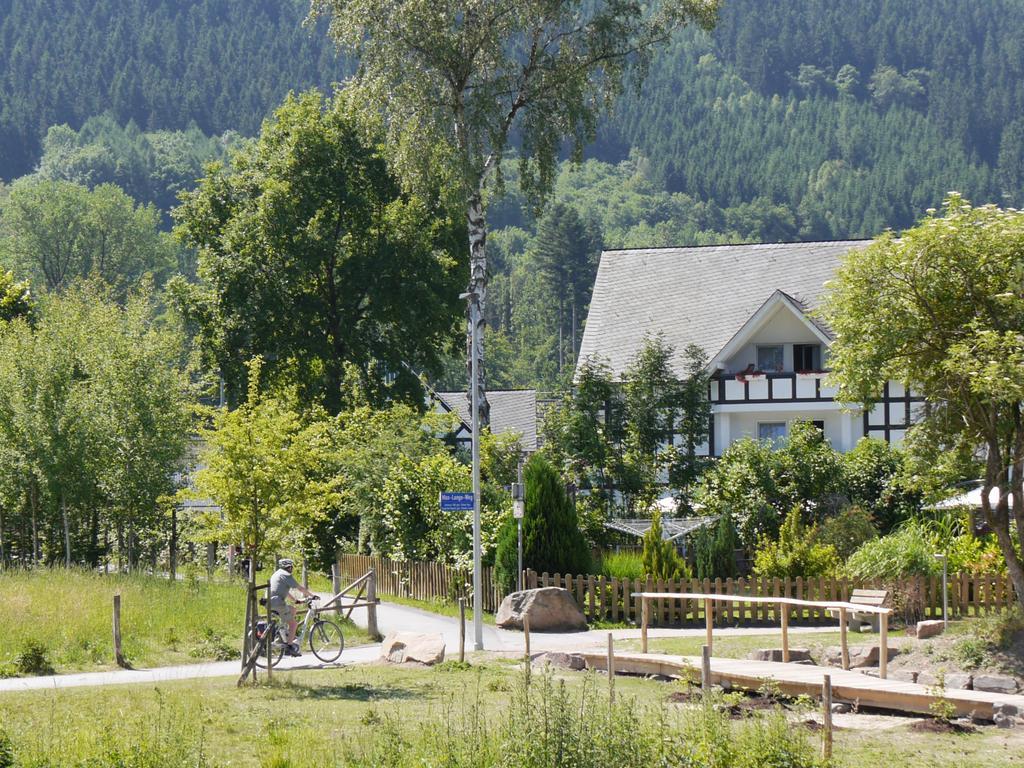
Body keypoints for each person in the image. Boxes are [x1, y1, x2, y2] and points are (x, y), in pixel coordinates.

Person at [269, 558, 316, 656]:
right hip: (277, 603)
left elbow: (285, 592)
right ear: (289, 567)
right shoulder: (286, 575)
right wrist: (312, 596)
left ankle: (282, 635)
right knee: (294, 624)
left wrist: (296, 601)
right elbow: (300, 588)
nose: (291, 569)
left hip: (270, 602)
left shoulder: (277, 574)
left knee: (293, 609)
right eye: (291, 567)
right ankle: (289, 647)